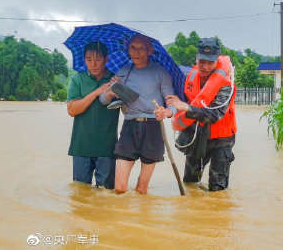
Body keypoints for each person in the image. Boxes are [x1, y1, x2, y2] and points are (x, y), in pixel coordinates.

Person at [100, 35, 177, 194]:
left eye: (141, 48)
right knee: (119, 188)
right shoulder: (123, 71)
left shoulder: (161, 72)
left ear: (150, 50)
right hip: (129, 127)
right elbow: (103, 100)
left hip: (153, 128)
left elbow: (172, 102)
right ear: (128, 49)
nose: (136, 52)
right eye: (133, 47)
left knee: (141, 189)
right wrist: (111, 91)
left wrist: (166, 112)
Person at [166, 37, 237, 191]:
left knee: (217, 187)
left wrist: (186, 107)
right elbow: (180, 102)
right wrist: (172, 106)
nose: (205, 66)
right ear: (196, 59)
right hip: (198, 134)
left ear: (217, 60)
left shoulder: (226, 83)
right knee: (190, 182)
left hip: (222, 138)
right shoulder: (190, 77)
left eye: (210, 62)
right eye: (201, 62)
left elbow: (214, 114)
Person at [67, 42, 120, 189]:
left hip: (107, 147)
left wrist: (120, 89)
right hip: (81, 146)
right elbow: (72, 110)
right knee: (80, 194)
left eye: (98, 59)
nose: (93, 64)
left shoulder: (115, 79)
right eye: (89, 59)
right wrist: (97, 92)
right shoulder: (77, 80)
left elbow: (127, 110)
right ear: (84, 60)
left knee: (106, 195)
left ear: (106, 58)